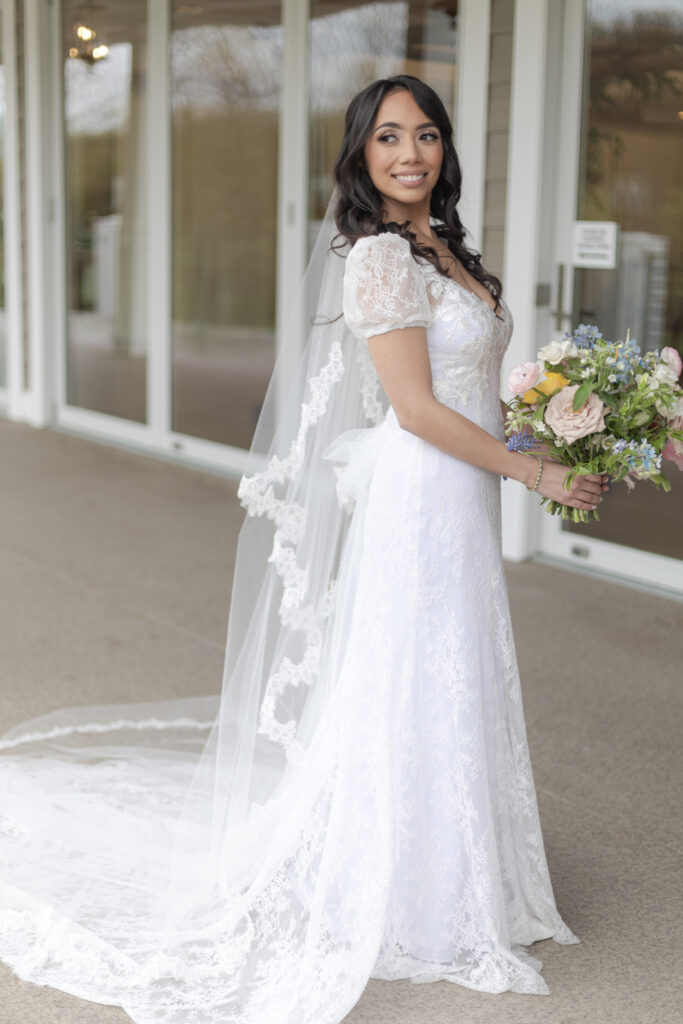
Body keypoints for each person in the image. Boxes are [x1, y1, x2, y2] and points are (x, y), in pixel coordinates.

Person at [0, 75, 607, 1023]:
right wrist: (533, 478)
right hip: (422, 495)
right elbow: (413, 411)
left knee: (451, 669)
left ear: (446, 151)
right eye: (390, 138)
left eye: (428, 136)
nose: (412, 153)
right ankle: (401, 885)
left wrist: (559, 439)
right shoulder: (376, 259)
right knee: (412, 670)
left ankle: (452, 867)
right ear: (362, 155)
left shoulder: (444, 250)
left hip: (465, 496)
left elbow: (474, 392)